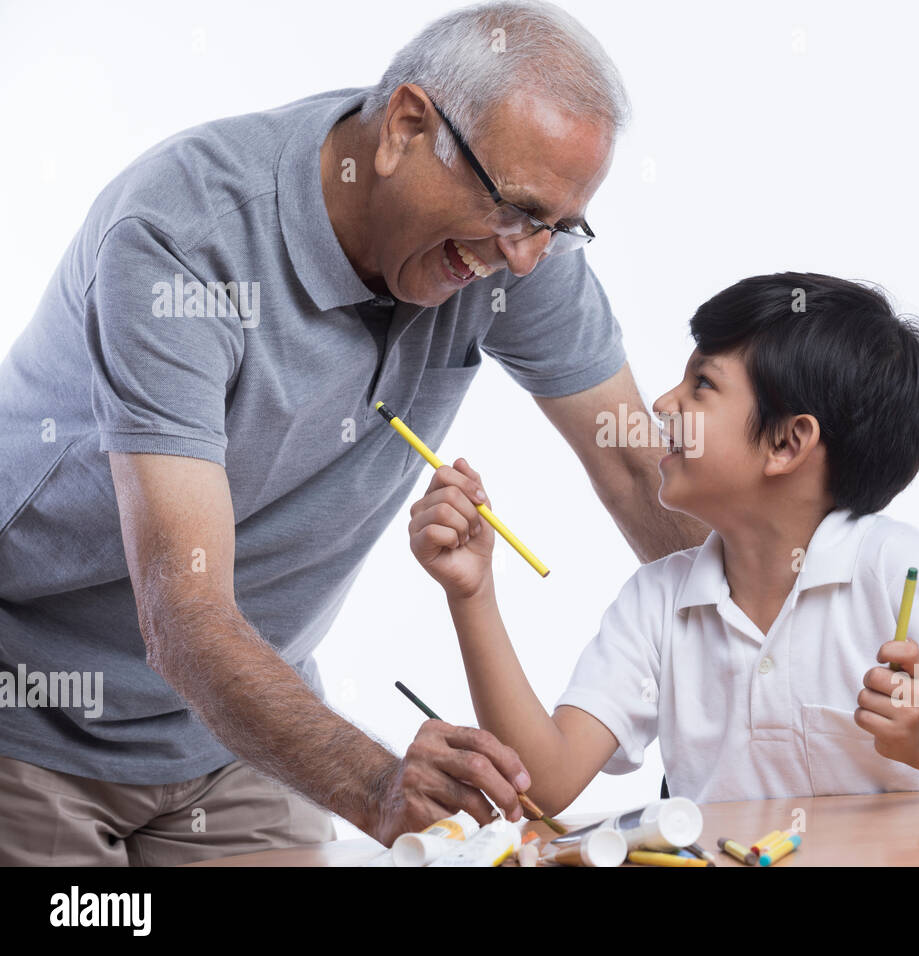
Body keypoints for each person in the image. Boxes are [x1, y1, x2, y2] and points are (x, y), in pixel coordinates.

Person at [0, 0, 706, 865]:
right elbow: (183, 613)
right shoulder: (184, 240)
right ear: (406, 127)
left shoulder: (521, 245)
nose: (525, 259)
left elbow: (640, 472)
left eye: (556, 228)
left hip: (242, 736)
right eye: (518, 212)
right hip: (32, 720)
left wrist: (796, 659)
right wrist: (376, 786)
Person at [407, 272, 919, 810]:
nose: (660, 405)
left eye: (701, 385)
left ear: (787, 442)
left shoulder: (894, 570)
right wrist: (473, 593)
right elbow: (546, 784)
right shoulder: (657, 602)